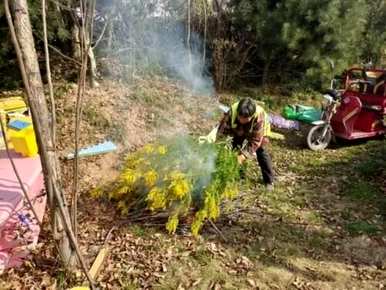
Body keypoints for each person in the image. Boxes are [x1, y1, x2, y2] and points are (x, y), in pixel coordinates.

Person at [217, 97, 274, 190]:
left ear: (251, 116)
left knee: (261, 151)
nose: (242, 120)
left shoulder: (259, 117)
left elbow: (255, 141)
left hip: (258, 131)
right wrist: (222, 145)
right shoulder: (232, 112)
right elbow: (222, 131)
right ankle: (240, 175)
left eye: (245, 118)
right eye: (240, 117)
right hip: (237, 129)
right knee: (234, 146)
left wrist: (243, 155)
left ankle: (269, 181)